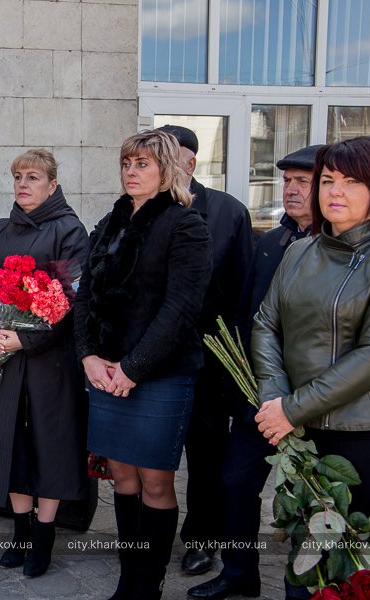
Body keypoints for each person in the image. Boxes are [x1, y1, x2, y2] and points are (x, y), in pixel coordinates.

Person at [74, 130, 212, 599]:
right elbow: (85, 296)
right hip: (106, 371)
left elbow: (181, 309)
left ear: (166, 170)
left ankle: (145, 585)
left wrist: (132, 368)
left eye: (143, 164)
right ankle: (129, 575)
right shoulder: (110, 223)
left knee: (154, 480)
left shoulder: (184, 224)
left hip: (159, 375)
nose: (132, 172)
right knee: (123, 477)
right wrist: (89, 356)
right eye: (127, 163)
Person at [252, 137, 370, 599]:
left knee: (360, 567)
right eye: (329, 179)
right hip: (300, 433)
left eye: (353, 182)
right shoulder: (299, 251)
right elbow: (266, 324)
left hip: (368, 437)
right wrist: (274, 398)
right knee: (306, 558)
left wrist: (292, 408)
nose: (335, 191)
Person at [188, 144, 322, 599]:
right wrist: (238, 389)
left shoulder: (339, 248)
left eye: (302, 181)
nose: (290, 189)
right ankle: (239, 571)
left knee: (308, 496)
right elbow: (246, 316)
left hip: (314, 402)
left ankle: (303, 585)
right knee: (234, 482)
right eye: (286, 181)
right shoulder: (271, 242)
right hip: (259, 394)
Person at [0, 149, 90, 577]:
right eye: (18, 176)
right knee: (11, 443)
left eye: (33, 177)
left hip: (47, 364)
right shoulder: (0, 231)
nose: (23, 184)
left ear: (53, 185)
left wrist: (24, 338)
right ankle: (19, 533)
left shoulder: (69, 231)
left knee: (48, 446)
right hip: (0, 355)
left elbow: (71, 299)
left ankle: (44, 535)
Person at [156, 124, 254, 576]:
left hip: (208, 361)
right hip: (150, 362)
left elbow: (240, 293)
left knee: (206, 457)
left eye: (163, 156)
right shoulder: (139, 210)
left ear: (189, 164)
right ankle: (147, 535)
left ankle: (202, 538)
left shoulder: (229, 213)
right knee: (148, 457)